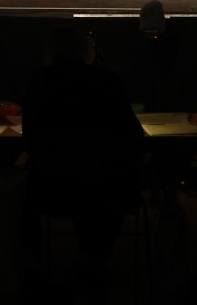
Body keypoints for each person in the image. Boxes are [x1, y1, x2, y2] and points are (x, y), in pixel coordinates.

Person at [22, 27, 145, 271]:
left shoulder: (40, 81)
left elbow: (30, 141)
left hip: (51, 188)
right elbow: (133, 137)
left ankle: (32, 265)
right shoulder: (108, 80)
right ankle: (96, 258)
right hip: (107, 188)